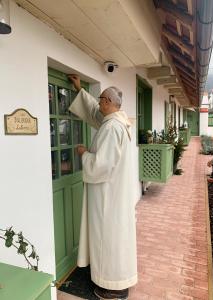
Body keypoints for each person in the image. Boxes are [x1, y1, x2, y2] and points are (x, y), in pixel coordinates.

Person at [68, 75, 137, 300]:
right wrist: (80, 90)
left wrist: (83, 154)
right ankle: (117, 279)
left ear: (108, 102)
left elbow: (101, 165)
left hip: (107, 196)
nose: (99, 104)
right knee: (116, 239)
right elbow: (96, 116)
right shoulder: (119, 122)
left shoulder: (111, 128)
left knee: (106, 239)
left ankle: (109, 285)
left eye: (100, 101)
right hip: (116, 195)